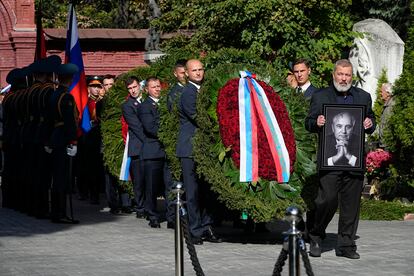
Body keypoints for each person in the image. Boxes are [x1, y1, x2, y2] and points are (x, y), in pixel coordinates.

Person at [305, 59, 375, 259]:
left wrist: (370, 123)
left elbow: (371, 120)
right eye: (340, 74)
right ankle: (316, 235)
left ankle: (346, 245)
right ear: (333, 75)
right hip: (329, 160)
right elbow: (308, 122)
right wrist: (316, 122)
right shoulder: (321, 96)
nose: (344, 78)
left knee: (351, 204)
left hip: (354, 160)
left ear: (351, 77)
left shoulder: (363, 97)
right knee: (326, 200)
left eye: (347, 75)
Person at [176, 59, 221, 244]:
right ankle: (195, 231)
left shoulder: (206, 90)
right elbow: (198, 117)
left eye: (201, 69)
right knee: (193, 192)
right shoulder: (188, 92)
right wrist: (219, 127)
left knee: (206, 191)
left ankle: (207, 227)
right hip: (190, 149)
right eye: (194, 70)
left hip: (204, 148)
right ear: (186, 73)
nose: (198, 73)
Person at [138, 77, 174, 228]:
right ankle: (153, 215)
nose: (157, 89)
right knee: (152, 186)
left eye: (158, 86)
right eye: (153, 87)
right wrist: (168, 134)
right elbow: (150, 127)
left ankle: (171, 217)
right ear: (147, 89)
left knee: (170, 186)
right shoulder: (145, 106)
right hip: (153, 152)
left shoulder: (167, 102)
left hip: (166, 151)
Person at [48, 63, 79, 223]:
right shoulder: (66, 97)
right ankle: (59, 213)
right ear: (68, 78)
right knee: (62, 177)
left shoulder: (54, 94)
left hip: (55, 137)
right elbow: (69, 121)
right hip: (63, 139)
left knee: (57, 176)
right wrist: (73, 140)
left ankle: (56, 211)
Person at [121, 76, 146, 218]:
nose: (133, 91)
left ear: (140, 86)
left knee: (149, 180)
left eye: (134, 87)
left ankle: (149, 206)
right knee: (138, 180)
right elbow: (136, 126)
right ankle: (140, 207)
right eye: (130, 89)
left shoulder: (148, 100)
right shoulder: (127, 105)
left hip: (149, 146)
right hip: (137, 146)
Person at [378, 83, 395, 149]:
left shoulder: (392, 106)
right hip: (385, 144)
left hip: (389, 145)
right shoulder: (387, 105)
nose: (380, 94)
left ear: (388, 93)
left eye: (381, 91)